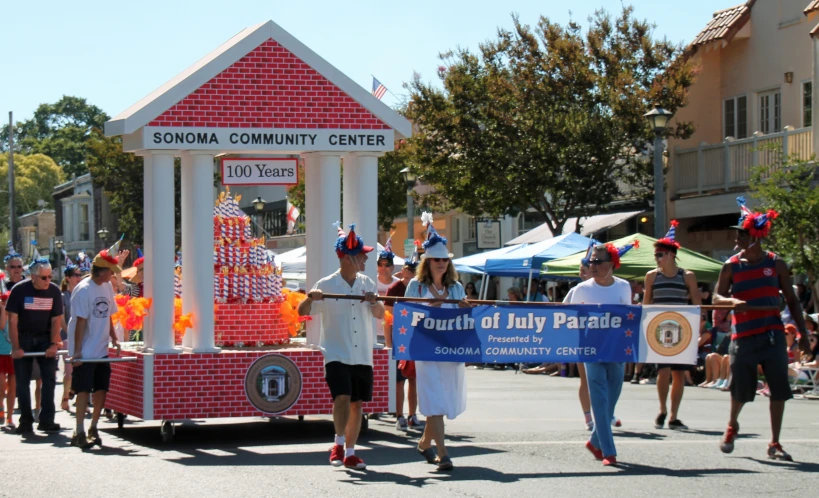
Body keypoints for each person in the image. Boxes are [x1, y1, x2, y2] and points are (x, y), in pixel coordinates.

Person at [714, 197, 810, 461]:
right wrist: (732, 302)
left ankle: (775, 443)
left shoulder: (776, 264)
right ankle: (732, 424)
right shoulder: (731, 265)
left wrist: (802, 335)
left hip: (773, 334)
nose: (736, 238)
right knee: (741, 389)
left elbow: (792, 300)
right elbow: (716, 298)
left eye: (740, 234)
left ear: (755, 237)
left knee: (778, 388)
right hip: (743, 336)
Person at [298, 222, 384, 470]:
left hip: (362, 354)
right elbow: (302, 312)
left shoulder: (367, 282)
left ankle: (350, 452)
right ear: (348, 258)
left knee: (357, 404)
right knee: (342, 397)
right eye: (361, 255)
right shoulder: (326, 284)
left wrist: (373, 301)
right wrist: (309, 297)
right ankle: (337, 442)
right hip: (336, 352)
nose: (366, 258)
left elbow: (379, 313)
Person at [405, 212, 470, 472]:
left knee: (444, 400)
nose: (441, 263)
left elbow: (466, 317)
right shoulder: (416, 286)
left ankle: (424, 444)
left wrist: (465, 308)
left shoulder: (456, 288)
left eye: (444, 259)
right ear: (427, 262)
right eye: (436, 259)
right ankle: (443, 453)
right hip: (425, 348)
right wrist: (423, 310)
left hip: (451, 349)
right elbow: (405, 315)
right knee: (434, 400)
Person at [568, 241, 636, 467]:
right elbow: (564, 315)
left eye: (598, 261)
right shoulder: (581, 290)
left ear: (613, 263)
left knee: (612, 398)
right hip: (591, 350)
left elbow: (629, 317)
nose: (592, 265)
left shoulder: (624, 287)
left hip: (617, 350)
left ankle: (595, 441)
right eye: (590, 261)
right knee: (598, 397)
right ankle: (609, 451)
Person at [643, 221, 702, 430]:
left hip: (682, 327)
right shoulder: (651, 276)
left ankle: (674, 415)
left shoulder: (687, 276)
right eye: (656, 255)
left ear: (671, 255)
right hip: (659, 328)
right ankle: (662, 409)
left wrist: (697, 328)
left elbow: (696, 302)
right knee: (663, 370)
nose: (657, 258)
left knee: (679, 373)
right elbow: (646, 303)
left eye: (660, 254)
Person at [67, 243, 123, 448]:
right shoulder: (84, 290)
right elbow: (80, 322)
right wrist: (78, 351)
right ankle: (79, 430)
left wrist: (114, 338)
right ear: (103, 271)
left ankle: (93, 426)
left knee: (101, 389)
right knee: (82, 390)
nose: (113, 276)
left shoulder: (107, 287)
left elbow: (107, 314)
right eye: (111, 272)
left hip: (101, 350)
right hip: (85, 351)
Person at [6, 253, 64, 435]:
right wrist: (16, 347)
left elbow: (56, 320)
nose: (48, 281)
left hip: (45, 337)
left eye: (50, 277)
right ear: (33, 277)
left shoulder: (54, 291)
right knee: (22, 382)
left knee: (49, 379)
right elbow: (12, 321)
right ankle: (26, 420)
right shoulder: (19, 290)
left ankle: (46, 419)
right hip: (24, 336)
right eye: (44, 278)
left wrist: (54, 343)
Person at [385, 241, 423, 431]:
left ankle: (412, 414)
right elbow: (388, 318)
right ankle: (399, 415)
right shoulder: (394, 289)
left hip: (417, 339)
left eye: (414, 272)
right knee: (399, 380)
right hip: (400, 340)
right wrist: (389, 343)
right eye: (408, 272)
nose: (411, 276)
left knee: (414, 380)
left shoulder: (422, 288)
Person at [60, 262, 83, 411]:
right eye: (76, 275)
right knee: (69, 371)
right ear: (68, 278)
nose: (78, 278)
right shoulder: (63, 296)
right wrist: (70, 332)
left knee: (80, 370)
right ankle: (65, 397)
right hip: (67, 336)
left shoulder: (82, 293)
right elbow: (61, 318)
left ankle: (80, 399)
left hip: (81, 337)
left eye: (80, 275)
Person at [0, 290, 15, 428]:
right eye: (4, 301)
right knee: (1, 387)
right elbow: (2, 326)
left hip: (13, 354)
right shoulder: (2, 316)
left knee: (12, 388)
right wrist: (3, 309)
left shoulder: (16, 317)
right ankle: (1, 410)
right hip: (1, 354)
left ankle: (10, 417)